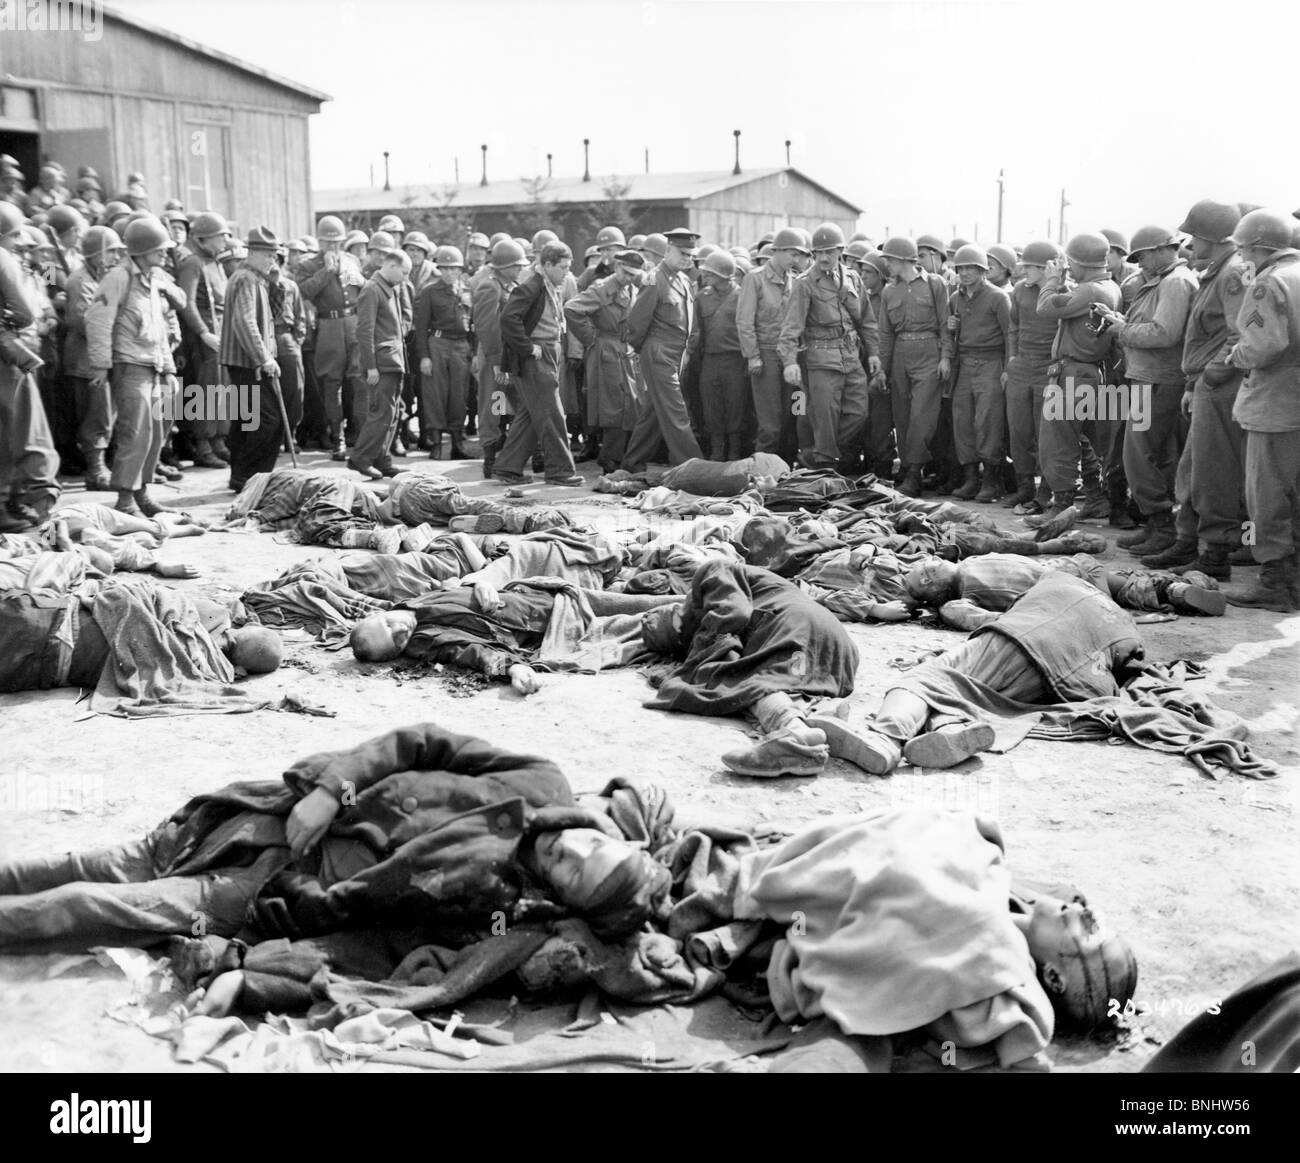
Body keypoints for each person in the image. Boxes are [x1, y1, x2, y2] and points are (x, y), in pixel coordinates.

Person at [0, 725, 665, 957]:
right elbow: (420, 741)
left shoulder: (500, 905)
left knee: (91, 905)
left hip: (267, 889)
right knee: (85, 863)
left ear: (566, 900)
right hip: (272, 814)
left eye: (576, 876)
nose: (570, 853)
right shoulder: (543, 781)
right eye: (591, 847)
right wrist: (329, 791)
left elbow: (375, 936)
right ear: (604, 831)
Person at [805, 571, 1145, 775]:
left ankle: (887, 736)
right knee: (964, 689)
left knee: (927, 678)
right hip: (1067, 680)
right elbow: (1130, 669)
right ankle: (950, 730)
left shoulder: (1055, 580)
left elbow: (1013, 612)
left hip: (1018, 639)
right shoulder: (1127, 625)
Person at [640, 559, 859, 778]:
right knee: (789, 677)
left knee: (739, 682)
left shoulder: (713, 570)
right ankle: (821, 712)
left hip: (796, 631)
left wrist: (700, 665)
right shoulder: (753, 585)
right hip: (834, 654)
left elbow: (732, 613)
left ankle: (796, 733)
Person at [1143, 200, 1248, 575]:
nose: (1189, 243)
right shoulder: (1216, 272)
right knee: (1191, 470)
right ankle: (1187, 541)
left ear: (1212, 236)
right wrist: (1194, 383)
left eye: (1194, 235)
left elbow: (1238, 335)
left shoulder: (1233, 273)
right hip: (1205, 383)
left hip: (1220, 384)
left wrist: (1212, 376)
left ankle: (1215, 553)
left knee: (1212, 471)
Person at [1094, 226, 1198, 558]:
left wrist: (1122, 329)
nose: (1140, 264)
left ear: (1162, 250)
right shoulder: (1164, 282)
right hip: (1150, 377)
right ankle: (1158, 525)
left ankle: (1162, 525)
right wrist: (1118, 320)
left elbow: (1165, 333)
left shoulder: (1175, 283)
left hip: (1158, 379)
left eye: (1143, 256)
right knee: (1152, 455)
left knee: (1138, 456)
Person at [0, 579, 281, 696]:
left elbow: (124, 591)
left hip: (44, 616)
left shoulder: (185, 612)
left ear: (233, 630)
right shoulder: (200, 677)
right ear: (241, 670)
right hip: (38, 665)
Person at [1222, 208, 1300, 611]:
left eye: (1243, 249)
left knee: (1266, 494)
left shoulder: (1268, 284)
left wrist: (1236, 354)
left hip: (1274, 401)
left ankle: (1275, 582)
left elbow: (1262, 346)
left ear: (1257, 246)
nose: (1240, 257)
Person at [84, 215, 180, 520]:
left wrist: (169, 368)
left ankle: (142, 493)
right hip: (129, 366)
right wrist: (101, 365)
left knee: (154, 433)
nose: (165, 253)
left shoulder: (152, 279)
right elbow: (97, 321)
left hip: (153, 365)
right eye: (159, 248)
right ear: (141, 250)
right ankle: (125, 498)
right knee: (135, 433)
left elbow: (159, 327)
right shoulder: (118, 278)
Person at [777, 223, 882, 473]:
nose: (824, 257)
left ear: (840, 251)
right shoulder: (805, 284)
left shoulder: (853, 278)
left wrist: (874, 353)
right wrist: (789, 362)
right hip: (821, 359)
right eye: (819, 252)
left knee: (858, 413)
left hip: (851, 356)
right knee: (824, 417)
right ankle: (824, 465)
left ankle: (818, 454)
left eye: (829, 252)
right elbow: (790, 327)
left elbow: (867, 320)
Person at [1033, 232, 1123, 522]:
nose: (1068, 267)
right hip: (1088, 372)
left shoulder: (1090, 291)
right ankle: (1095, 497)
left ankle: (1062, 504)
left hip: (1074, 373)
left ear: (1081, 262)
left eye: (1070, 262)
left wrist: (1051, 281)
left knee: (1058, 440)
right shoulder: (1108, 286)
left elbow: (1045, 307)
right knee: (1081, 438)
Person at [902, 552, 1227, 628]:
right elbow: (986, 620)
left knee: (1124, 589)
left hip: (1068, 583)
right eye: (924, 571)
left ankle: (1174, 590)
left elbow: (992, 621)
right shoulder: (960, 596)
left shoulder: (967, 568)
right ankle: (1176, 588)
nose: (928, 562)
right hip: (1067, 578)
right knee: (1128, 584)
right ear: (931, 582)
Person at [492, 241, 583, 486]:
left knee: (531, 416)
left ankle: (508, 468)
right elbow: (508, 319)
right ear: (547, 265)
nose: (566, 272)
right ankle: (560, 471)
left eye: (568, 267)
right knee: (552, 415)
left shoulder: (548, 285)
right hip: (536, 359)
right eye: (562, 267)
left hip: (547, 355)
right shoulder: (532, 285)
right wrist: (527, 347)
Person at [621, 227, 705, 472]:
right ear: (668, 250)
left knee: (654, 412)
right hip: (659, 354)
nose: (687, 259)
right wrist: (644, 351)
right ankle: (693, 467)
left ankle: (632, 463)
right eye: (682, 253)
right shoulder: (654, 279)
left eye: (690, 255)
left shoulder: (683, 280)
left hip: (676, 356)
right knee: (676, 411)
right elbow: (636, 323)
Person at [877, 236, 954, 497]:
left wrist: (945, 357)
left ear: (903, 260)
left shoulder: (935, 284)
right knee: (902, 417)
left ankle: (914, 473)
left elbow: (944, 324)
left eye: (889, 259)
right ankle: (908, 467)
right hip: (900, 354)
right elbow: (885, 334)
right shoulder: (889, 291)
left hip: (929, 353)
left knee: (922, 416)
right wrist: (883, 369)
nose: (887, 264)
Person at [564, 248, 646, 472]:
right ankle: (610, 458)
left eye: (633, 274)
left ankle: (620, 457)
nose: (629, 278)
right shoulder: (601, 288)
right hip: (606, 350)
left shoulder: (631, 288)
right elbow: (571, 309)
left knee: (630, 405)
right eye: (626, 272)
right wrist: (590, 337)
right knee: (613, 407)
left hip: (625, 350)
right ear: (617, 267)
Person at [295, 215, 366, 459]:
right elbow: (303, 292)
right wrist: (326, 272)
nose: (332, 246)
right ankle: (338, 439)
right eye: (327, 242)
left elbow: (362, 290)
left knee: (359, 380)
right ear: (319, 241)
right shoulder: (308, 265)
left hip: (354, 322)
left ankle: (361, 434)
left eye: (336, 242)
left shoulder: (352, 260)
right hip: (328, 325)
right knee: (331, 383)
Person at [946, 244, 1013, 501]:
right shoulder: (956, 298)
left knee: (988, 421)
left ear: (983, 270)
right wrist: (951, 328)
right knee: (963, 421)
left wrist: (1007, 368)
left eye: (970, 268)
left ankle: (991, 481)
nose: (964, 273)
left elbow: (1010, 335)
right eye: (960, 268)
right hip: (965, 363)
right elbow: (949, 335)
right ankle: (971, 478)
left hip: (991, 363)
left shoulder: (998, 297)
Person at [218, 226, 283, 491]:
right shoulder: (245, 278)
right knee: (268, 420)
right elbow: (244, 322)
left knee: (248, 421)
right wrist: (264, 358)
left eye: (274, 255)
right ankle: (252, 476)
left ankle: (243, 476)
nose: (272, 260)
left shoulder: (255, 278)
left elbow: (273, 314)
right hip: (248, 362)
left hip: (246, 361)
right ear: (252, 253)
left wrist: (275, 280)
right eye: (268, 255)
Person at [63, 226, 127, 492]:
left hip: (101, 356)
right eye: (111, 251)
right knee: (96, 415)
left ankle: (105, 464)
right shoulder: (79, 281)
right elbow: (82, 321)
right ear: (95, 254)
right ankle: (96, 468)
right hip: (86, 361)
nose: (116, 257)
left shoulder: (103, 277)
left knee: (107, 413)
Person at [736, 227, 807, 461]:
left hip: (792, 357)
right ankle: (762, 467)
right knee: (770, 422)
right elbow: (744, 321)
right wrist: (753, 356)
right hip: (765, 356)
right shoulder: (754, 279)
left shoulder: (795, 281)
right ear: (777, 251)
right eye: (792, 254)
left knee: (795, 412)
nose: (795, 260)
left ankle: (787, 465)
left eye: (799, 255)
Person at [1004, 241, 1062, 513]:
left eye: (1029, 266)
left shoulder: (1063, 292)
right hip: (1021, 366)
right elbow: (1013, 326)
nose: (1024, 270)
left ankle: (1045, 490)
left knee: (1046, 433)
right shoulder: (1019, 290)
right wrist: (1012, 357)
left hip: (1049, 368)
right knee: (1018, 430)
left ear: (1045, 268)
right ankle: (1024, 487)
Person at [175, 211, 232, 468]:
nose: (224, 241)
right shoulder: (193, 263)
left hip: (220, 331)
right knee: (205, 390)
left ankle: (218, 440)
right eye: (219, 236)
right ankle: (203, 444)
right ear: (203, 239)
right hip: (204, 335)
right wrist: (203, 332)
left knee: (222, 388)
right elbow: (186, 304)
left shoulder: (214, 262)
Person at [351, 247, 412, 480]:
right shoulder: (372, 290)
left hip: (392, 361)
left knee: (392, 413)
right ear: (391, 266)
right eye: (404, 273)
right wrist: (370, 366)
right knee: (380, 413)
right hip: (382, 363)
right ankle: (361, 458)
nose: (405, 278)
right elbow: (364, 331)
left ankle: (382, 459)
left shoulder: (388, 288)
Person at [471, 238, 528, 479]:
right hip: (495, 356)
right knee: (493, 404)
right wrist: (496, 362)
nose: (520, 269)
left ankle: (507, 456)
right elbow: (486, 327)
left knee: (514, 404)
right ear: (504, 267)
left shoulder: (510, 286)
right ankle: (490, 459)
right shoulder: (490, 287)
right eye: (516, 265)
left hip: (509, 356)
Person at [415, 245, 473, 460]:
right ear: (439, 270)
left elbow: (474, 322)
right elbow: (421, 326)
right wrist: (424, 356)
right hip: (438, 344)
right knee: (435, 394)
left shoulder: (467, 291)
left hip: (461, 345)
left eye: (454, 269)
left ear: (460, 270)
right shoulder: (430, 291)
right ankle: (436, 443)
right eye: (445, 268)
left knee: (459, 395)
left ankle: (457, 443)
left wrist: (474, 350)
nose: (449, 273)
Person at [694, 249, 749, 461]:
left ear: (724, 275)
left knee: (736, 405)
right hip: (709, 359)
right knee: (711, 405)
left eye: (711, 273)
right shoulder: (702, 297)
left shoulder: (743, 296)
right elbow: (696, 332)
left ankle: (734, 450)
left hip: (735, 360)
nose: (705, 276)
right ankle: (716, 450)